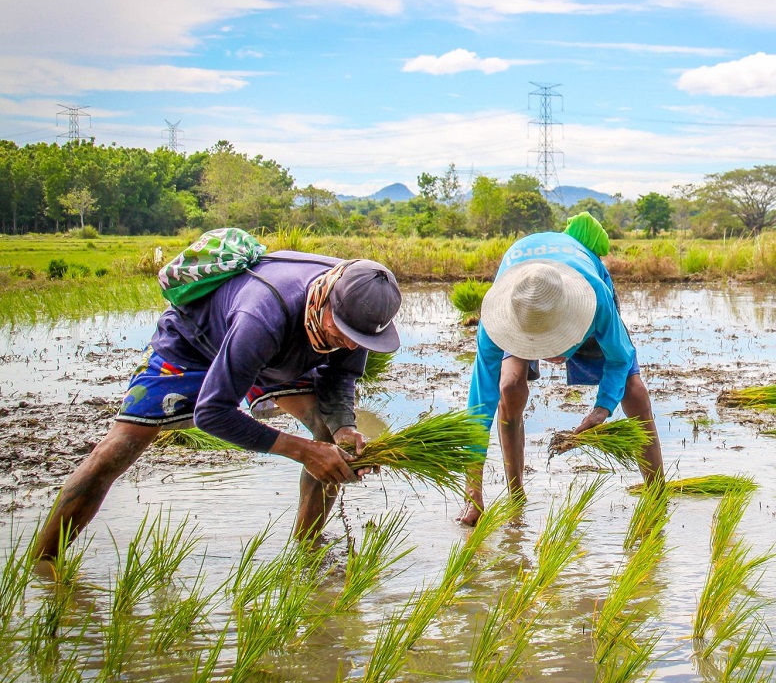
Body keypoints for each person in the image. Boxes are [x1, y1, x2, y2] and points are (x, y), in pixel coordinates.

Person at [33, 252, 402, 561]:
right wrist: (304, 451)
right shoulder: (263, 314)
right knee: (119, 448)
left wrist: (343, 428)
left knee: (328, 436)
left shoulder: (358, 318)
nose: (351, 346)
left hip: (278, 353)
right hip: (195, 343)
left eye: (360, 340)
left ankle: (306, 553)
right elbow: (212, 413)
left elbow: (339, 378)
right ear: (324, 299)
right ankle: (43, 565)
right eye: (343, 334)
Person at [458, 214, 664, 526]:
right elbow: (479, 408)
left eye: (554, 343)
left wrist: (602, 408)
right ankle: (516, 497)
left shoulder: (595, 296)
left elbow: (620, 358)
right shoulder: (498, 314)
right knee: (508, 389)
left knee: (634, 392)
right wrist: (472, 493)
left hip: (573, 285)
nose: (549, 355)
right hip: (524, 295)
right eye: (538, 345)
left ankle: (657, 495)